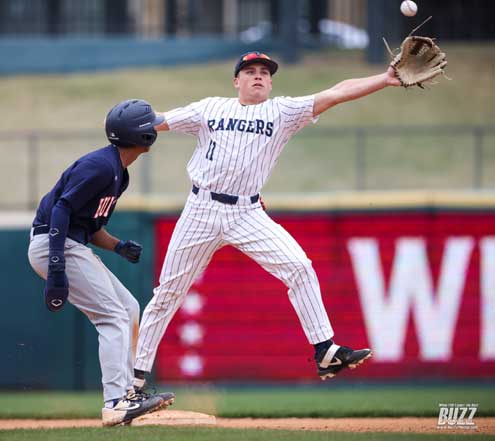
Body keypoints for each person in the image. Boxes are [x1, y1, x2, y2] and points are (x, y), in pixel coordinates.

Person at [132, 51, 401, 390]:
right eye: (249, 71)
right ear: (236, 81)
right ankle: (136, 380)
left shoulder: (283, 111)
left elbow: (336, 92)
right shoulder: (210, 108)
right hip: (200, 209)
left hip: (246, 212)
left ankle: (325, 351)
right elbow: (160, 120)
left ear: (271, 82)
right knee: (168, 292)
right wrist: (124, 120)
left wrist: (384, 79)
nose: (257, 76)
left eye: (264, 72)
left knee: (299, 267)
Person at [28, 99, 175, 426]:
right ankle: (116, 401)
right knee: (111, 316)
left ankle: (128, 395)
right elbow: (60, 212)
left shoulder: (117, 173)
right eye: (150, 124)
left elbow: (89, 227)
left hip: (69, 242)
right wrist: (56, 269)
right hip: (54, 243)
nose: (155, 127)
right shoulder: (100, 166)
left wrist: (118, 246)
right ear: (143, 136)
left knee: (129, 307)